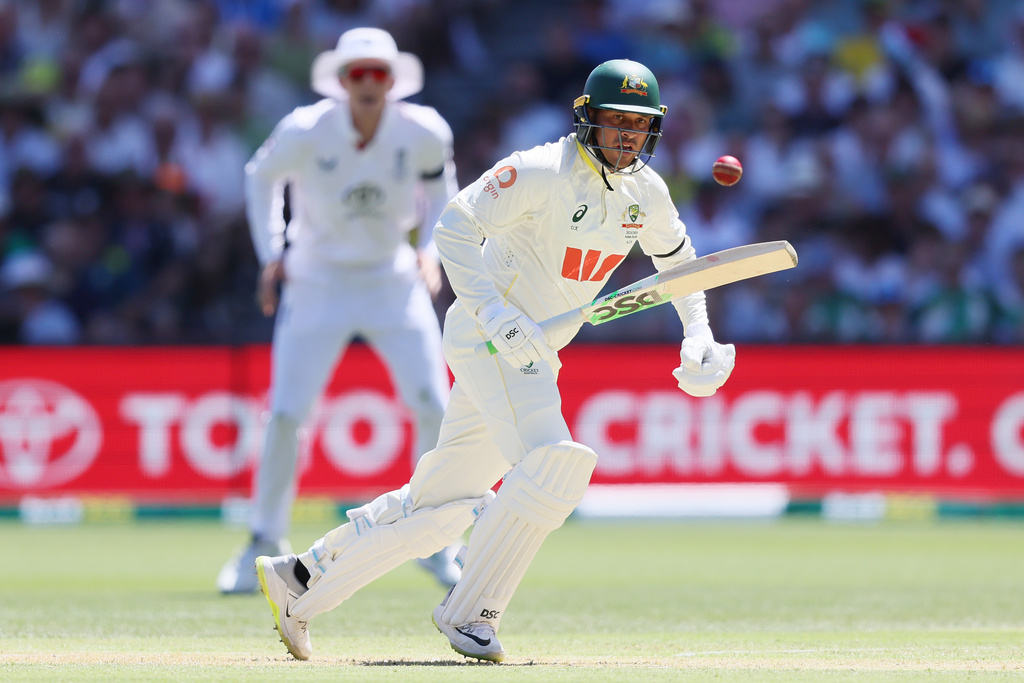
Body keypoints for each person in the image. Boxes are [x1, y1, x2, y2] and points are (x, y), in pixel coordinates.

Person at [253, 58, 736, 662]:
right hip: (489, 335)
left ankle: (299, 579)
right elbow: (454, 225)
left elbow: (681, 265)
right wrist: (495, 313)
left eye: (638, 126)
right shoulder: (541, 169)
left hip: (534, 350)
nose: (626, 137)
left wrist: (698, 334)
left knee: (440, 505)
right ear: (587, 120)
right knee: (556, 460)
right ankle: (469, 613)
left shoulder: (647, 192)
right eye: (615, 122)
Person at [216, 27, 461, 594]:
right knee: (285, 414)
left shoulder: (424, 131)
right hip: (317, 278)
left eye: (379, 73)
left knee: (433, 403)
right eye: (359, 74)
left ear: (393, 81)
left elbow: (443, 196)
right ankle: (263, 539)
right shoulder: (306, 129)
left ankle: (438, 542)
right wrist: (271, 254)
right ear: (343, 81)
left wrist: (430, 253)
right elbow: (260, 178)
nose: (370, 83)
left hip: (390, 280)